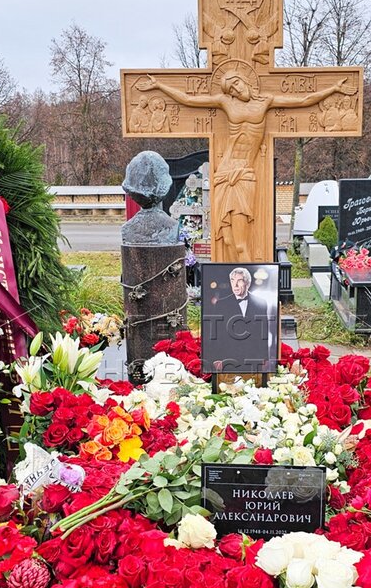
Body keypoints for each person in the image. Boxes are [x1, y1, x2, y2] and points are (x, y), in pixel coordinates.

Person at [136, 68, 357, 261]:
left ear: (244, 81)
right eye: (231, 89)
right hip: (225, 171)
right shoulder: (226, 102)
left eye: (237, 84)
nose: (236, 90)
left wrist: (334, 89)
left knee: (240, 241)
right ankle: (232, 283)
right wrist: (159, 85)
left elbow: (303, 100)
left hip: (244, 173)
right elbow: (188, 100)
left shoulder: (265, 100)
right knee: (228, 239)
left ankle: (248, 282)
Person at [208, 266, 276, 372]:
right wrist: (216, 358)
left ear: (247, 283)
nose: (235, 285)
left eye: (239, 281)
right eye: (232, 281)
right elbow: (216, 333)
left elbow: (262, 333)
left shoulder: (261, 303)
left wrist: (265, 358)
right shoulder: (221, 304)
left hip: (253, 359)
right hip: (228, 358)